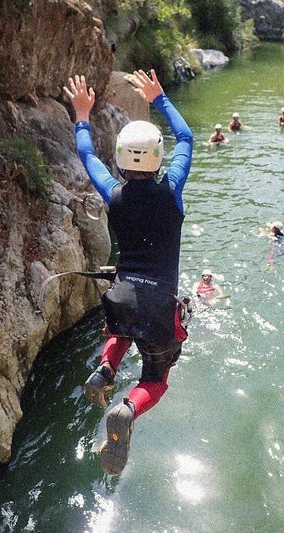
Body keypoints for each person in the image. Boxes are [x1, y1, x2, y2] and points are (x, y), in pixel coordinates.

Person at [64, 69, 193, 476]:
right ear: (157, 158)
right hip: (159, 305)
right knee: (156, 379)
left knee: (122, 328)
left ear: (119, 157)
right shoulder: (171, 190)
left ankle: (105, 371)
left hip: (122, 295)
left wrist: (81, 114)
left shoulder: (112, 192)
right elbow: (186, 140)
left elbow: (86, 155)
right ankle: (127, 409)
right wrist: (159, 98)